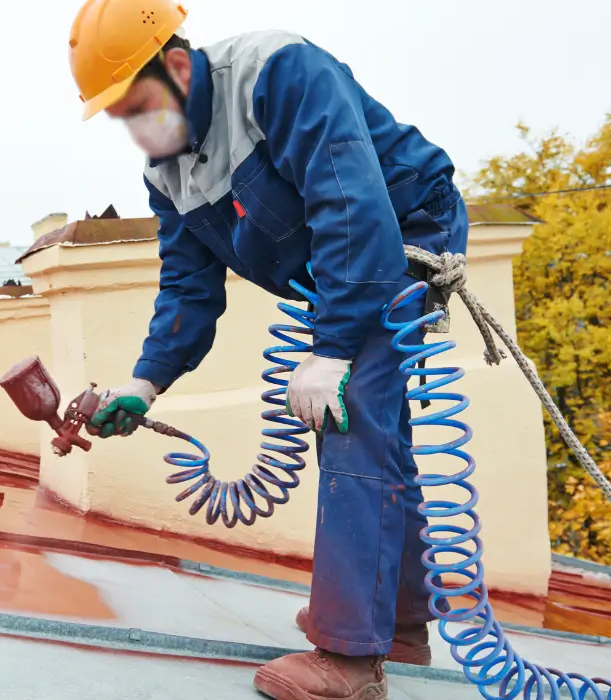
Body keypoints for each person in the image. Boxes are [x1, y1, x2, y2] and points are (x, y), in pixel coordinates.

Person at [68, 1, 468, 699]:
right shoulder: (168, 174)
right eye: (120, 117)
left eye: (139, 106)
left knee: (348, 415)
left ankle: (348, 659)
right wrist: (144, 385)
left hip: (399, 233)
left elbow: (352, 205)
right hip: (339, 260)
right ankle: (399, 624)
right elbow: (187, 291)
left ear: (180, 67)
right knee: (377, 430)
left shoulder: (277, 74)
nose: (135, 129)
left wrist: (334, 348)